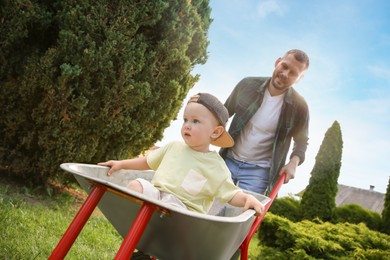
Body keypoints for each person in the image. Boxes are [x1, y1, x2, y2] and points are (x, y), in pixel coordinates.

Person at [99, 93, 264, 216]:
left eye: (196, 121)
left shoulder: (216, 166)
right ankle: (132, 221)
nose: (187, 125)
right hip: (155, 197)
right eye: (185, 120)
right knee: (136, 185)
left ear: (215, 132)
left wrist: (246, 199)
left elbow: (231, 193)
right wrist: (121, 164)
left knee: (174, 213)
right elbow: (147, 162)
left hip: (183, 212)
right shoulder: (173, 147)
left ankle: (159, 238)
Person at [220, 49, 310, 195]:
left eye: (293, 73)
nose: (285, 74)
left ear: (299, 79)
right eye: (284, 66)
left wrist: (293, 164)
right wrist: (201, 104)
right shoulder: (247, 85)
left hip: (259, 172)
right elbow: (222, 114)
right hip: (227, 160)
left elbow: (301, 142)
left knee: (239, 215)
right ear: (277, 62)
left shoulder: (300, 107)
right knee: (210, 208)